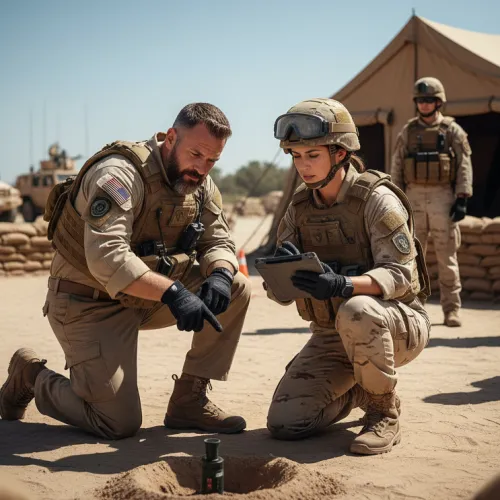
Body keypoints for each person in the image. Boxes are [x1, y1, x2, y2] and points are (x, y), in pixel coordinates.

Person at [0, 103, 251, 439]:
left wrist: (219, 272)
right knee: (117, 422)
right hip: (89, 303)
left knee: (236, 286)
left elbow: (218, 239)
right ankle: (30, 375)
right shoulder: (118, 175)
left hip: (146, 299)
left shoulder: (200, 184)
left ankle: (189, 400)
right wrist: (173, 293)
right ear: (171, 137)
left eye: (211, 160)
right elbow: (108, 255)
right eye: (195, 154)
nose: (201, 168)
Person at [265, 98, 431, 455]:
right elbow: (280, 295)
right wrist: (282, 274)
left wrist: (341, 284)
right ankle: (360, 387)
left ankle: (382, 409)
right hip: (331, 334)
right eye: (296, 156)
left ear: (340, 153)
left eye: (312, 155)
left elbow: (401, 274)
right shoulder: (298, 208)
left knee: (357, 309)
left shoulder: (377, 200)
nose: (303, 166)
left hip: (396, 324)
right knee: (286, 424)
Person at [391, 77, 473, 327]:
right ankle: (416, 309)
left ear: (439, 102)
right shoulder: (408, 131)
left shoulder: (452, 131)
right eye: (421, 100)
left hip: (443, 198)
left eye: (430, 100)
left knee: (447, 259)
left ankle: (451, 310)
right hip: (413, 197)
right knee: (413, 258)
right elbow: (397, 166)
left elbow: (464, 165)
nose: (425, 104)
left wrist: (462, 197)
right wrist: (395, 198)